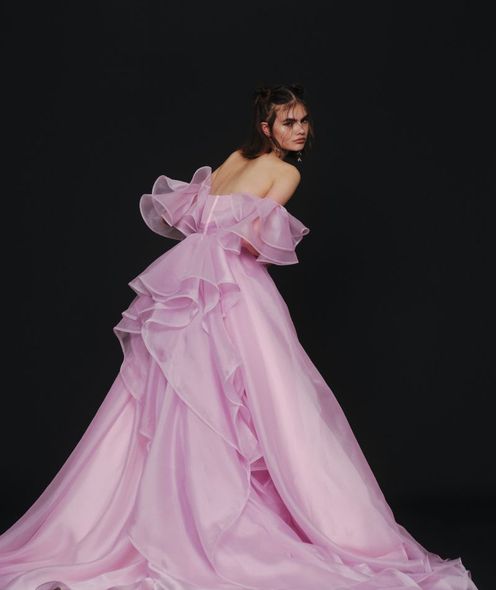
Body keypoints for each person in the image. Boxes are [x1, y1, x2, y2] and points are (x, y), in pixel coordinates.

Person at [0, 84, 477, 590]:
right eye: (289, 122)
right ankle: (205, 517)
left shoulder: (233, 159)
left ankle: (171, 512)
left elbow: (194, 219)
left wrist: (223, 222)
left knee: (195, 392)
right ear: (266, 127)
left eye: (304, 121)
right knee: (253, 400)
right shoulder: (285, 172)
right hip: (233, 289)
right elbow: (252, 243)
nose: (300, 130)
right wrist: (250, 229)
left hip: (192, 280)